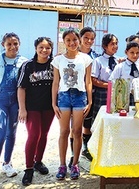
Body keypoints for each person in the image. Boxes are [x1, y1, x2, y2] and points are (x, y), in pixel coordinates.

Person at [0, 32, 28, 186]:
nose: (12, 46)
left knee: (11, 133)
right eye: (9, 44)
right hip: (0, 100)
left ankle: (7, 163)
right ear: (3, 45)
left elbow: (24, 84)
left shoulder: (23, 62)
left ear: (19, 44)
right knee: (0, 134)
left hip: (15, 101)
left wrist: (21, 105)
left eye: (15, 43)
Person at [51, 29, 93, 180]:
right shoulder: (58, 60)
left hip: (79, 96)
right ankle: (62, 165)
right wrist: (54, 103)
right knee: (63, 132)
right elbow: (56, 82)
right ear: (64, 42)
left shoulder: (86, 59)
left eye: (74, 39)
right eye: (68, 40)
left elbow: (88, 81)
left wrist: (90, 100)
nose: (72, 43)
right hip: (63, 97)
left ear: (79, 40)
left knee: (76, 131)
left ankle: (75, 164)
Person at [17, 37, 55, 186]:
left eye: (47, 48)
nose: (44, 50)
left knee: (44, 134)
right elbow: (21, 88)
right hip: (32, 107)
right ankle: (28, 168)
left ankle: (38, 161)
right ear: (35, 48)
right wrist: (22, 108)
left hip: (48, 107)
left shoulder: (54, 65)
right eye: (41, 47)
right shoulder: (27, 66)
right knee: (34, 135)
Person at [77, 27, 100, 163]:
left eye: (92, 39)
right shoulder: (72, 54)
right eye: (86, 38)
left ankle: (86, 149)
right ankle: (74, 155)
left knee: (88, 124)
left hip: (91, 95)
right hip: (74, 95)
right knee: (75, 127)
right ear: (80, 38)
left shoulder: (96, 57)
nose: (89, 41)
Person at [109, 41, 139, 106]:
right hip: (123, 97)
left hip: (138, 97)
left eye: (137, 53)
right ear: (126, 52)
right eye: (132, 52)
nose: (135, 55)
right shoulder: (120, 67)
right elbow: (112, 81)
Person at [91, 33, 119, 117]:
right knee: (101, 116)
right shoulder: (98, 61)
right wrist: (109, 86)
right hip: (102, 92)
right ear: (105, 46)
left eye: (116, 43)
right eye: (112, 44)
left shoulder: (118, 60)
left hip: (116, 93)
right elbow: (93, 80)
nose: (115, 46)